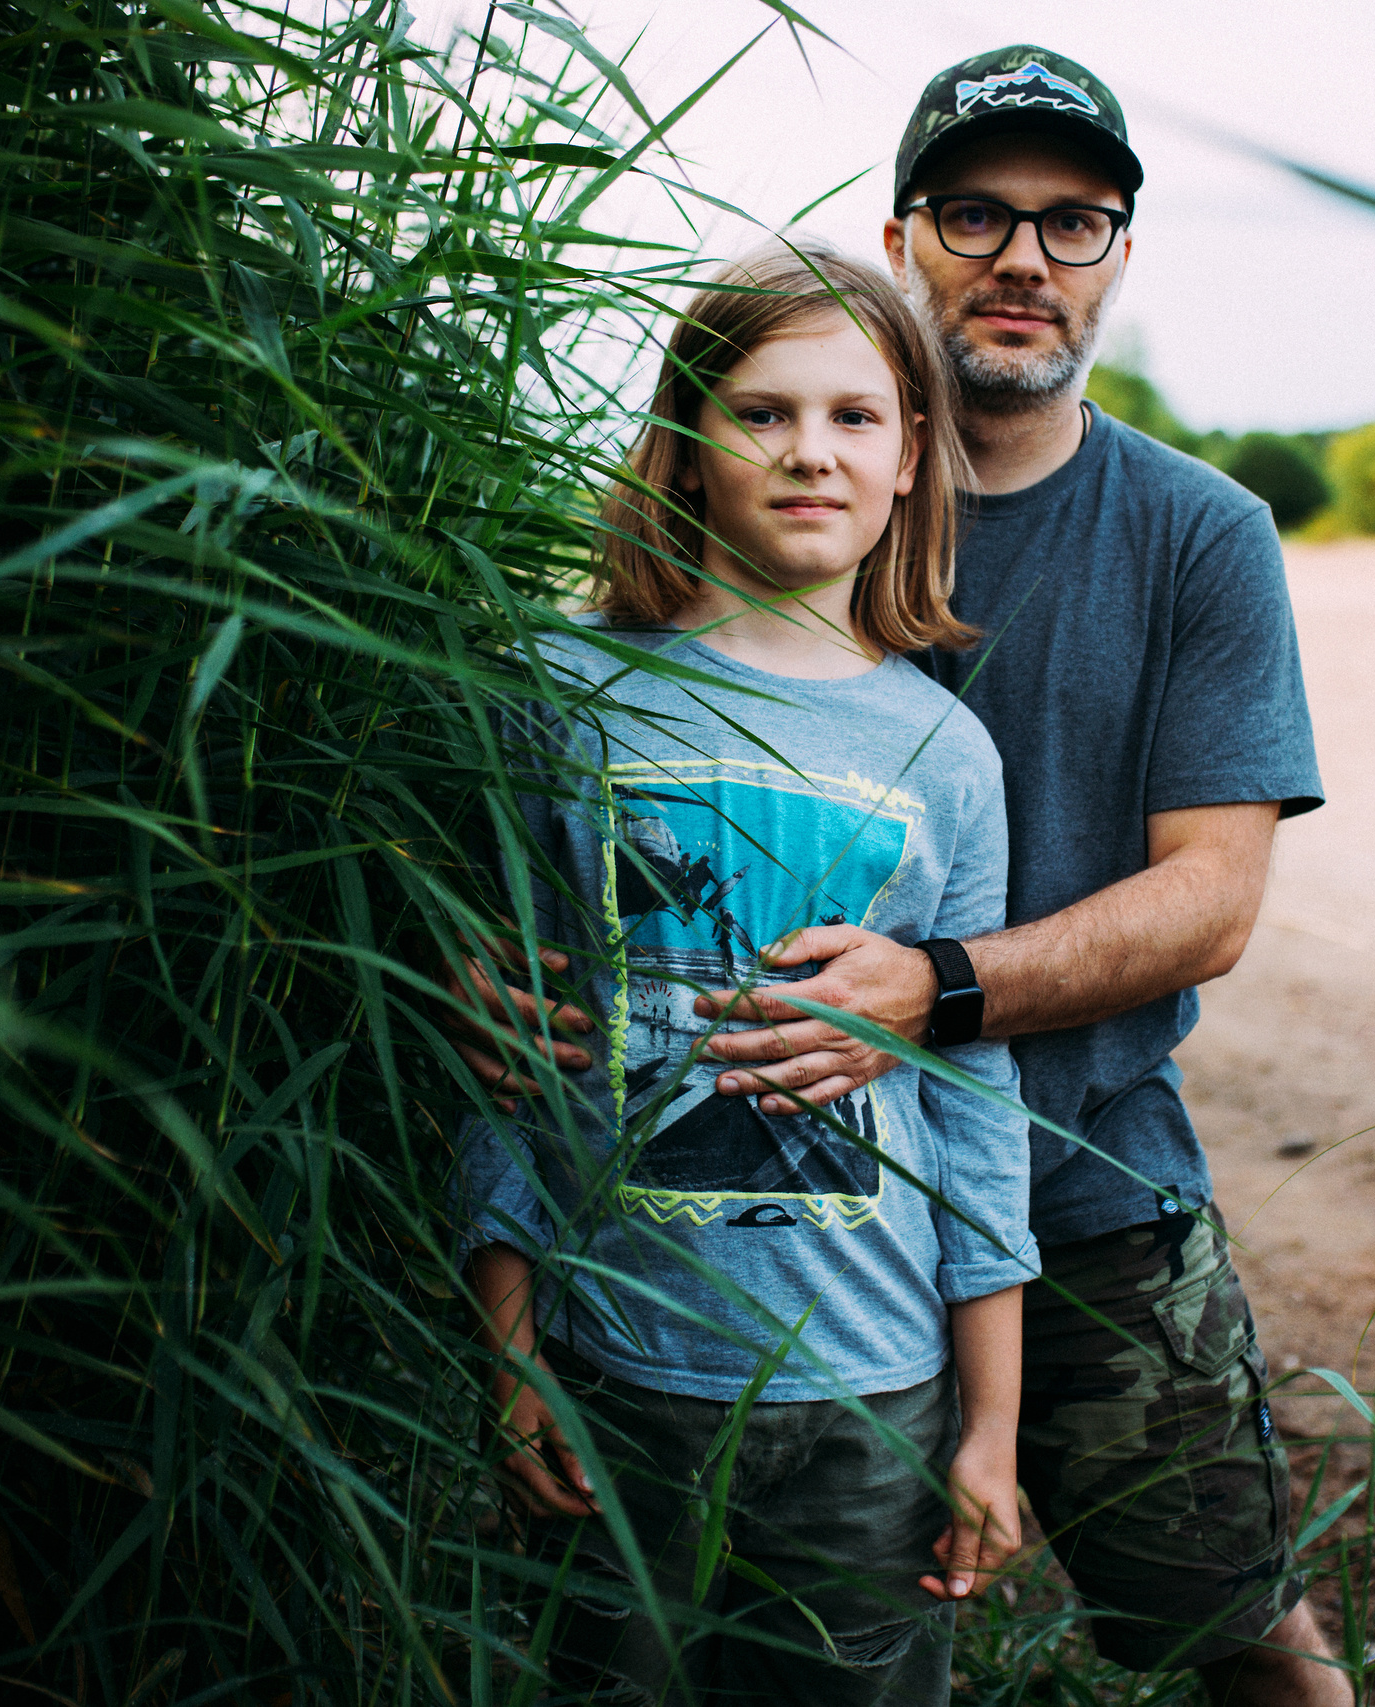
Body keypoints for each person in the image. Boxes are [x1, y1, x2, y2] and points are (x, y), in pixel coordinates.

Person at [683, 47, 1348, 1707]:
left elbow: (1214, 897)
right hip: (759, 1194)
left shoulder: (1199, 534)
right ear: (901, 240)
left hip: (1080, 1194)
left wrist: (938, 990)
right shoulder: (778, 487)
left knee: (1249, 1642)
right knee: (746, 1647)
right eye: (978, 212)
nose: (1024, 260)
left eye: (1076, 222)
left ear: (1123, 257)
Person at [454, 242, 1037, 1707]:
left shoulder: (945, 752)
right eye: (762, 411)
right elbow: (506, 1053)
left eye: (855, 417)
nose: (809, 454)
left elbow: (974, 1092)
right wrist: (510, 1349)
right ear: (686, 441)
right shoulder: (557, 690)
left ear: (913, 456)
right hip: (612, 1374)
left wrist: (990, 1424)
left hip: (871, 1397)